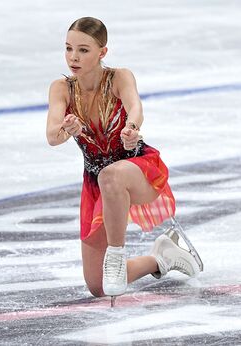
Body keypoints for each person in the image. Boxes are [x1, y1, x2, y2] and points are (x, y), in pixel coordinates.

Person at [46, 17, 203, 298]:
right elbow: (51, 136)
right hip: (96, 185)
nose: (74, 57)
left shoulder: (119, 77)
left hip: (137, 171)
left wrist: (131, 128)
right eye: (69, 48)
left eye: (83, 50)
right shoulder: (62, 89)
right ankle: (163, 257)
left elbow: (134, 105)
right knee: (98, 286)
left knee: (112, 175)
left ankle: (116, 256)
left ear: (102, 52)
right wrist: (67, 130)